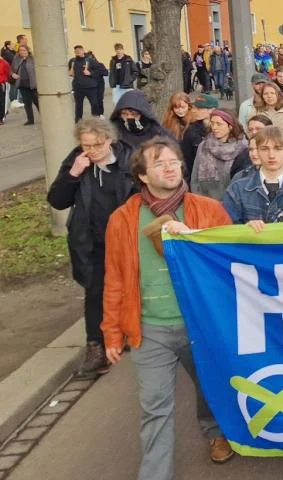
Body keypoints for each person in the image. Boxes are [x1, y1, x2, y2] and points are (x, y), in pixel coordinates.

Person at [101, 138, 235, 479]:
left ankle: (216, 432)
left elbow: (230, 262)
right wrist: (112, 332)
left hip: (199, 325)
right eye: (160, 163)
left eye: (174, 160)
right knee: (155, 409)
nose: (171, 166)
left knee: (211, 387)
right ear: (143, 176)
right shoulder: (123, 218)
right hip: (149, 329)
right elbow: (115, 277)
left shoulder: (208, 209)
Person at [47, 118, 138, 379]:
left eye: (97, 144)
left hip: (125, 239)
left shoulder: (128, 160)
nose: (92, 150)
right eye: (86, 145)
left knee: (131, 286)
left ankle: (129, 333)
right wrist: (73, 173)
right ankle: (96, 348)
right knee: (95, 291)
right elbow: (57, 200)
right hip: (90, 241)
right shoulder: (77, 161)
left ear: (110, 140)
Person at [222, 125, 283, 224]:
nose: (271, 155)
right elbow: (226, 229)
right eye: (264, 149)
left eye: (278, 148)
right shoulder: (237, 190)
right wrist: (245, 229)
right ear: (257, 151)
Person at [192, 109, 248, 199]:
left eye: (219, 124)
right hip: (205, 202)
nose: (214, 127)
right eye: (212, 123)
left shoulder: (241, 148)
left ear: (230, 126)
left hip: (231, 202)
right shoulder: (204, 146)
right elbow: (194, 178)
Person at [181, 94, 219, 178]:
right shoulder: (191, 131)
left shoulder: (223, 129)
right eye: (195, 108)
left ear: (212, 110)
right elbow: (187, 159)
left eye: (199, 108)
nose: (194, 111)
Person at [69, 45, 107, 122]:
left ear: (83, 50)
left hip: (91, 87)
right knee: (78, 106)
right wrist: (70, 73)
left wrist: (90, 73)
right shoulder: (72, 61)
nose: (78, 52)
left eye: (79, 50)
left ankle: (95, 120)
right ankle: (78, 121)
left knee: (94, 104)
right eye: (76, 51)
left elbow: (99, 71)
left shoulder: (90, 60)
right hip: (78, 87)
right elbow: (70, 72)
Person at [11, 45, 35, 125]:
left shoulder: (33, 59)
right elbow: (11, 70)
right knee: (27, 104)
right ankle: (30, 120)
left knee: (38, 103)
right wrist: (13, 74)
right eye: (20, 50)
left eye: (24, 50)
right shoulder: (16, 59)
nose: (22, 52)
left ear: (28, 51)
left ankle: (45, 118)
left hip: (33, 85)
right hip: (22, 85)